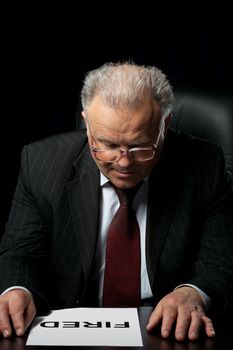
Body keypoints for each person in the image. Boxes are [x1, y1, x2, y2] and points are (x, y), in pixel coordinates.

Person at [0, 62, 232, 342]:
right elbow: (20, 254)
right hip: (72, 327)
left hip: (164, 330)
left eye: (140, 147)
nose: (123, 163)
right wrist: (17, 290)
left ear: (164, 126)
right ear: (87, 125)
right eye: (108, 145)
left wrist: (192, 293)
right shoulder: (40, 164)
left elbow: (220, 260)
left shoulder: (206, 165)